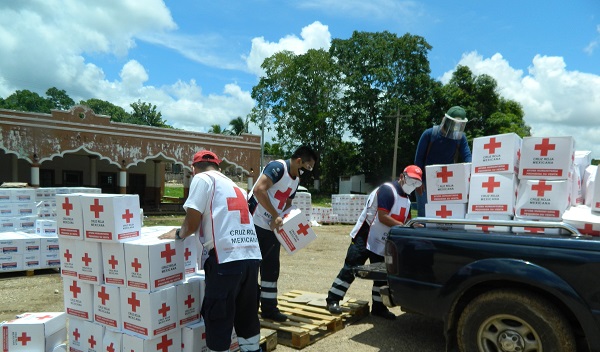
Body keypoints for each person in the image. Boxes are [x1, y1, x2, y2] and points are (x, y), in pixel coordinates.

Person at [160, 150, 263, 352]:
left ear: (193, 169)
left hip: (226, 260)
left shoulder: (202, 179)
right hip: (251, 258)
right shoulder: (236, 187)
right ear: (219, 166)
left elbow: (191, 224)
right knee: (247, 317)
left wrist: (178, 234)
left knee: (218, 319)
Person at [325, 165, 423, 320]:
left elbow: (407, 219)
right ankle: (333, 299)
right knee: (351, 267)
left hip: (383, 241)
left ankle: (379, 307)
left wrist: (412, 225)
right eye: (411, 180)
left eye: (417, 183)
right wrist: (405, 226)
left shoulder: (407, 200)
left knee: (382, 274)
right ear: (402, 176)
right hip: (365, 236)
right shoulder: (387, 190)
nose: (413, 184)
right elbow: (382, 216)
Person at [248, 145, 318, 322]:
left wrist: (290, 221)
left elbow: (287, 203)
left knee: (271, 269)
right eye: (308, 167)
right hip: (254, 224)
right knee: (251, 268)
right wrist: (274, 215)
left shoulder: (296, 180)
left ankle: (269, 309)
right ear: (299, 161)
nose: (308, 171)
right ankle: (249, 308)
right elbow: (258, 190)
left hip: (272, 228)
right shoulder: (277, 168)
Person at [414, 106, 472, 217]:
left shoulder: (460, 138)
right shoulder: (429, 134)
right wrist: (418, 181)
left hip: (448, 182)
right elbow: (418, 159)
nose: (455, 127)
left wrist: (472, 176)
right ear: (444, 120)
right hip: (425, 182)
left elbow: (468, 157)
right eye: (453, 123)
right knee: (424, 214)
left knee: (445, 215)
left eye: (459, 124)